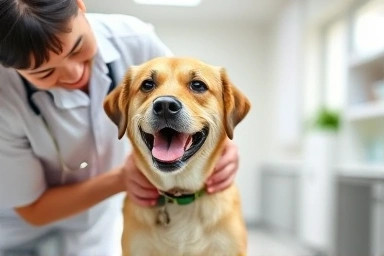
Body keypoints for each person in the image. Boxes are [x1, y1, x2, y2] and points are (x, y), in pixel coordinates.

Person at [0, 0, 240, 255]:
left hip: (96, 222)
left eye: (77, 48)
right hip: (18, 232)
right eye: (45, 72)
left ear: (80, 6)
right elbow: (33, 210)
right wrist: (121, 179)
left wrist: (225, 146)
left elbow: (190, 103)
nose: (73, 74)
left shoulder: (133, 39)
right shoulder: (5, 97)